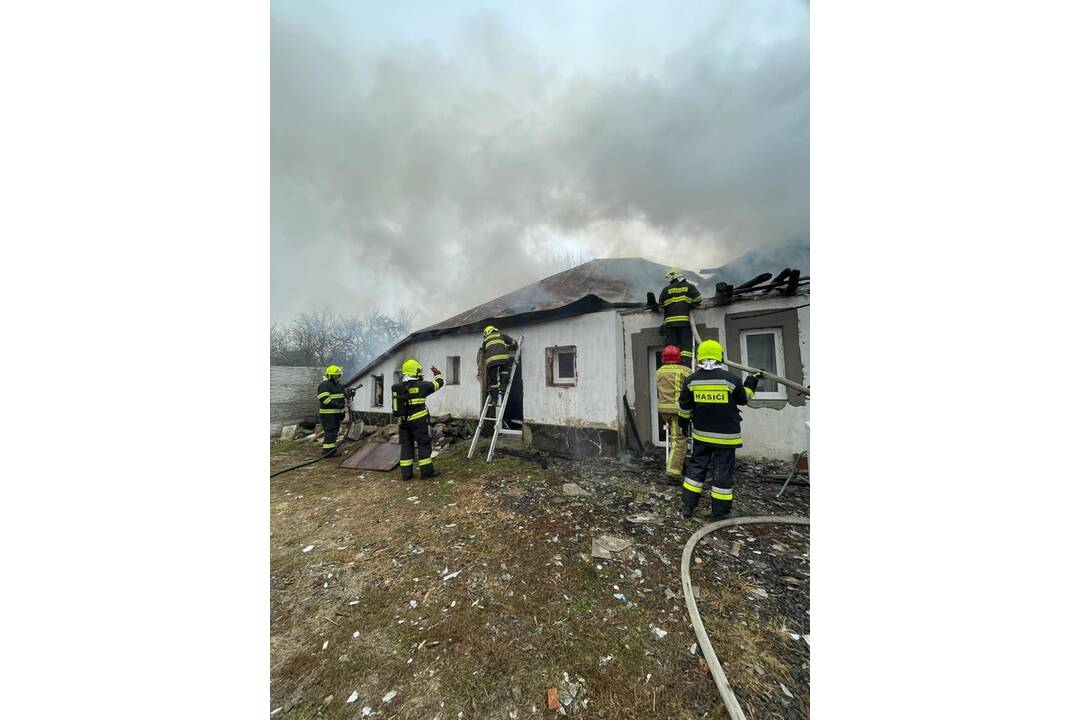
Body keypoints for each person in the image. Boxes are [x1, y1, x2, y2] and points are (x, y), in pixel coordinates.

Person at [677, 339, 763, 519]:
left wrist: (683, 425)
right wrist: (752, 380)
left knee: (695, 470)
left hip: (701, 436)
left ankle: (687, 507)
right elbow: (744, 398)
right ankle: (720, 512)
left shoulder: (691, 381)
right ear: (720, 357)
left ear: (699, 357)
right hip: (726, 438)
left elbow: (684, 408)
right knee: (722, 472)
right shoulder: (731, 380)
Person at [392, 358, 445, 480]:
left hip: (403, 422)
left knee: (406, 446)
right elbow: (439, 383)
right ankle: (426, 472)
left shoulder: (397, 387)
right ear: (416, 373)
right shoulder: (423, 385)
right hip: (419, 422)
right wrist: (437, 373)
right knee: (423, 444)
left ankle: (406, 474)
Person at [656, 345, 692, 484]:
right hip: (678, 411)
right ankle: (673, 473)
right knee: (679, 441)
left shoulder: (659, 371)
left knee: (674, 439)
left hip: (664, 411)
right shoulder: (685, 371)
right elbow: (692, 384)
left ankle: (678, 464)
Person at [658, 267, 702, 366]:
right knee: (686, 346)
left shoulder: (666, 290)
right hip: (685, 323)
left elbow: (661, 304)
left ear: (673, 276)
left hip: (670, 325)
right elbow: (698, 299)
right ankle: (686, 364)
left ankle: (670, 364)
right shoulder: (689, 287)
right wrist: (690, 305)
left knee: (671, 346)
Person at [315, 364, 349, 456]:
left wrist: (348, 394)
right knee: (330, 432)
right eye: (335, 375)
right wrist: (336, 404)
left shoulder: (338, 386)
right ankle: (328, 452)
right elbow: (323, 398)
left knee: (334, 433)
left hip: (336, 414)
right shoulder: (324, 385)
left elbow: (342, 396)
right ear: (329, 375)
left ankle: (331, 450)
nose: (337, 377)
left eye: (338, 375)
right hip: (328, 415)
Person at [480, 325, 518, 406]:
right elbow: (513, 343)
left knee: (492, 381)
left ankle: (494, 400)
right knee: (504, 373)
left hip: (492, 361)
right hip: (504, 358)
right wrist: (515, 345)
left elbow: (483, 352)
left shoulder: (486, 340)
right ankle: (503, 388)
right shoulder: (502, 335)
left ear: (487, 332)